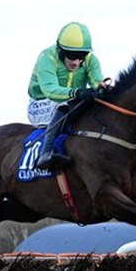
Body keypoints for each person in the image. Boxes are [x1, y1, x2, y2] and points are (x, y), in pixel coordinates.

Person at [27, 22, 109, 170]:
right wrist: (76, 92)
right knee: (64, 104)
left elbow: (97, 82)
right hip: (42, 103)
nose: (76, 62)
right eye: (72, 56)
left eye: (82, 56)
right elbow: (50, 90)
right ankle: (46, 153)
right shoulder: (47, 58)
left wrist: (102, 88)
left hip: (72, 101)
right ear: (61, 50)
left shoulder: (91, 60)